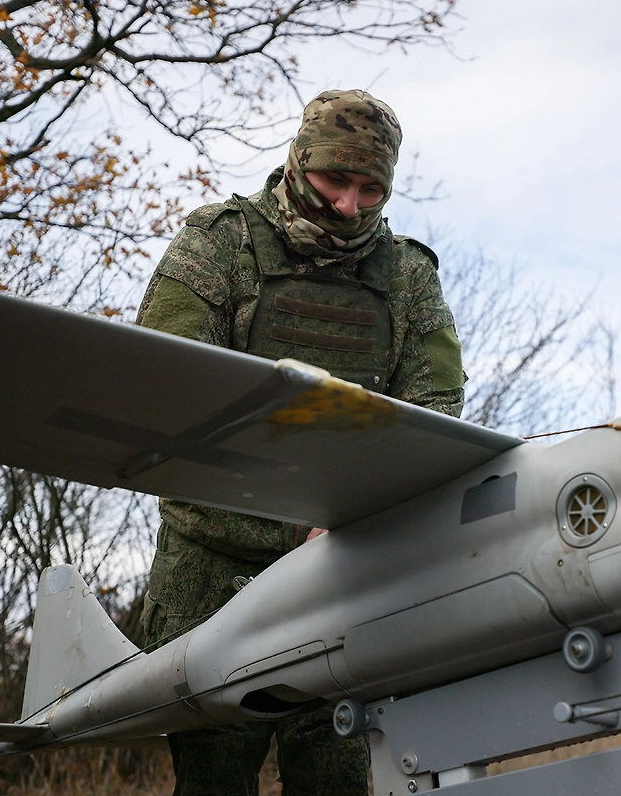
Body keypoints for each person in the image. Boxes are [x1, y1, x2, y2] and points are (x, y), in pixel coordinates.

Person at [134, 90, 465, 796]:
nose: (351, 205)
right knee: (214, 774)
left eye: (371, 187)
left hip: (340, 571)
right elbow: (163, 384)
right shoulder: (219, 244)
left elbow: (436, 410)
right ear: (299, 160)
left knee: (339, 773)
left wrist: (347, 511)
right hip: (212, 570)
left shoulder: (406, 276)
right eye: (335, 180)